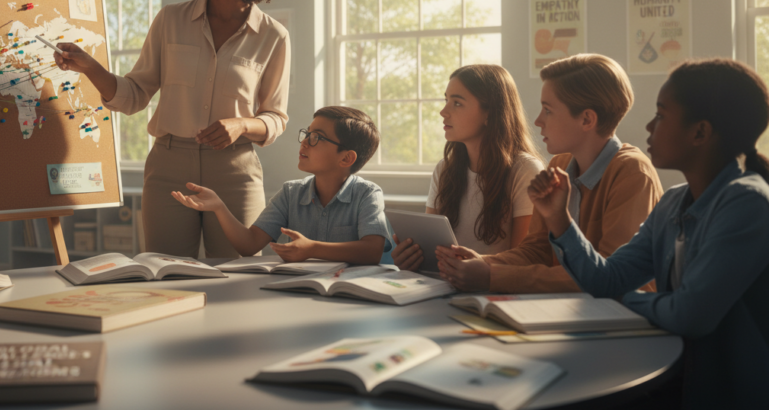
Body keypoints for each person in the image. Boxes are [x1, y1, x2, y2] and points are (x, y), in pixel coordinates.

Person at [55, 0, 291, 258]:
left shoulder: (273, 36)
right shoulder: (171, 20)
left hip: (234, 172)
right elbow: (134, 95)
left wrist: (242, 125)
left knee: (239, 277)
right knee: (162, 275)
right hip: (168, 167)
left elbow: (276, 118)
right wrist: (90, 67)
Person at [531, 58, 769, 408]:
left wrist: (624, 301)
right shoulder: (673, 203)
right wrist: (559, 220)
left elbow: (690, 314)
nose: (647, 126)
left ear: (700, 132)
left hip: (729, 393)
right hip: (681, 380)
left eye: (660, 115)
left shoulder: (747, 202)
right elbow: (607, 279)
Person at [427, 54, 662, 293]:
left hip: (619, 318)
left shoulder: (633, 173)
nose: (538, 121)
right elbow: (537, 250)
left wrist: (492, 275)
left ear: (587, 119)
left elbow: (608, 277)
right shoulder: (559, 165)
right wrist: (481, 263)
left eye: (548, 110)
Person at [170, 107, 391, 265]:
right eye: (307, 133)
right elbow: (249, 245)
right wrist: (219, 206)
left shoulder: (367, 194)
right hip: (300, 290)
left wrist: (311, 248)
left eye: (316, 137)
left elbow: (372, 251)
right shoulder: (290, 193)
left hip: (350, 292)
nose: (304, 142)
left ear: (346, 159)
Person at [391, 65, 544, 269]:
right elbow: (431, 250)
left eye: (457, 103)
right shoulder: (444, 169)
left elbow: (524, 260)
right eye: (446, 100)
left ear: (489, 113)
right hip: (443, 285)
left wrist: (477, 267)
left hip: (493, 290)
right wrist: (412, 258)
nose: (443, 112)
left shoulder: (525, 170)